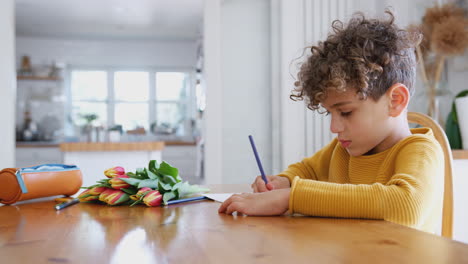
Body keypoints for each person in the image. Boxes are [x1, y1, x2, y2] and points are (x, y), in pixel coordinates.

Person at [218, 10, 444, 234]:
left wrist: (291, 197)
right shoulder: (343, 150)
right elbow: (306, 171)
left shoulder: (420, 151)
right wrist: (283, 182)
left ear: (396, 100)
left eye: (345, 112)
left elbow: (405, 205)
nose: (334, 128)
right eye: (330, 114)